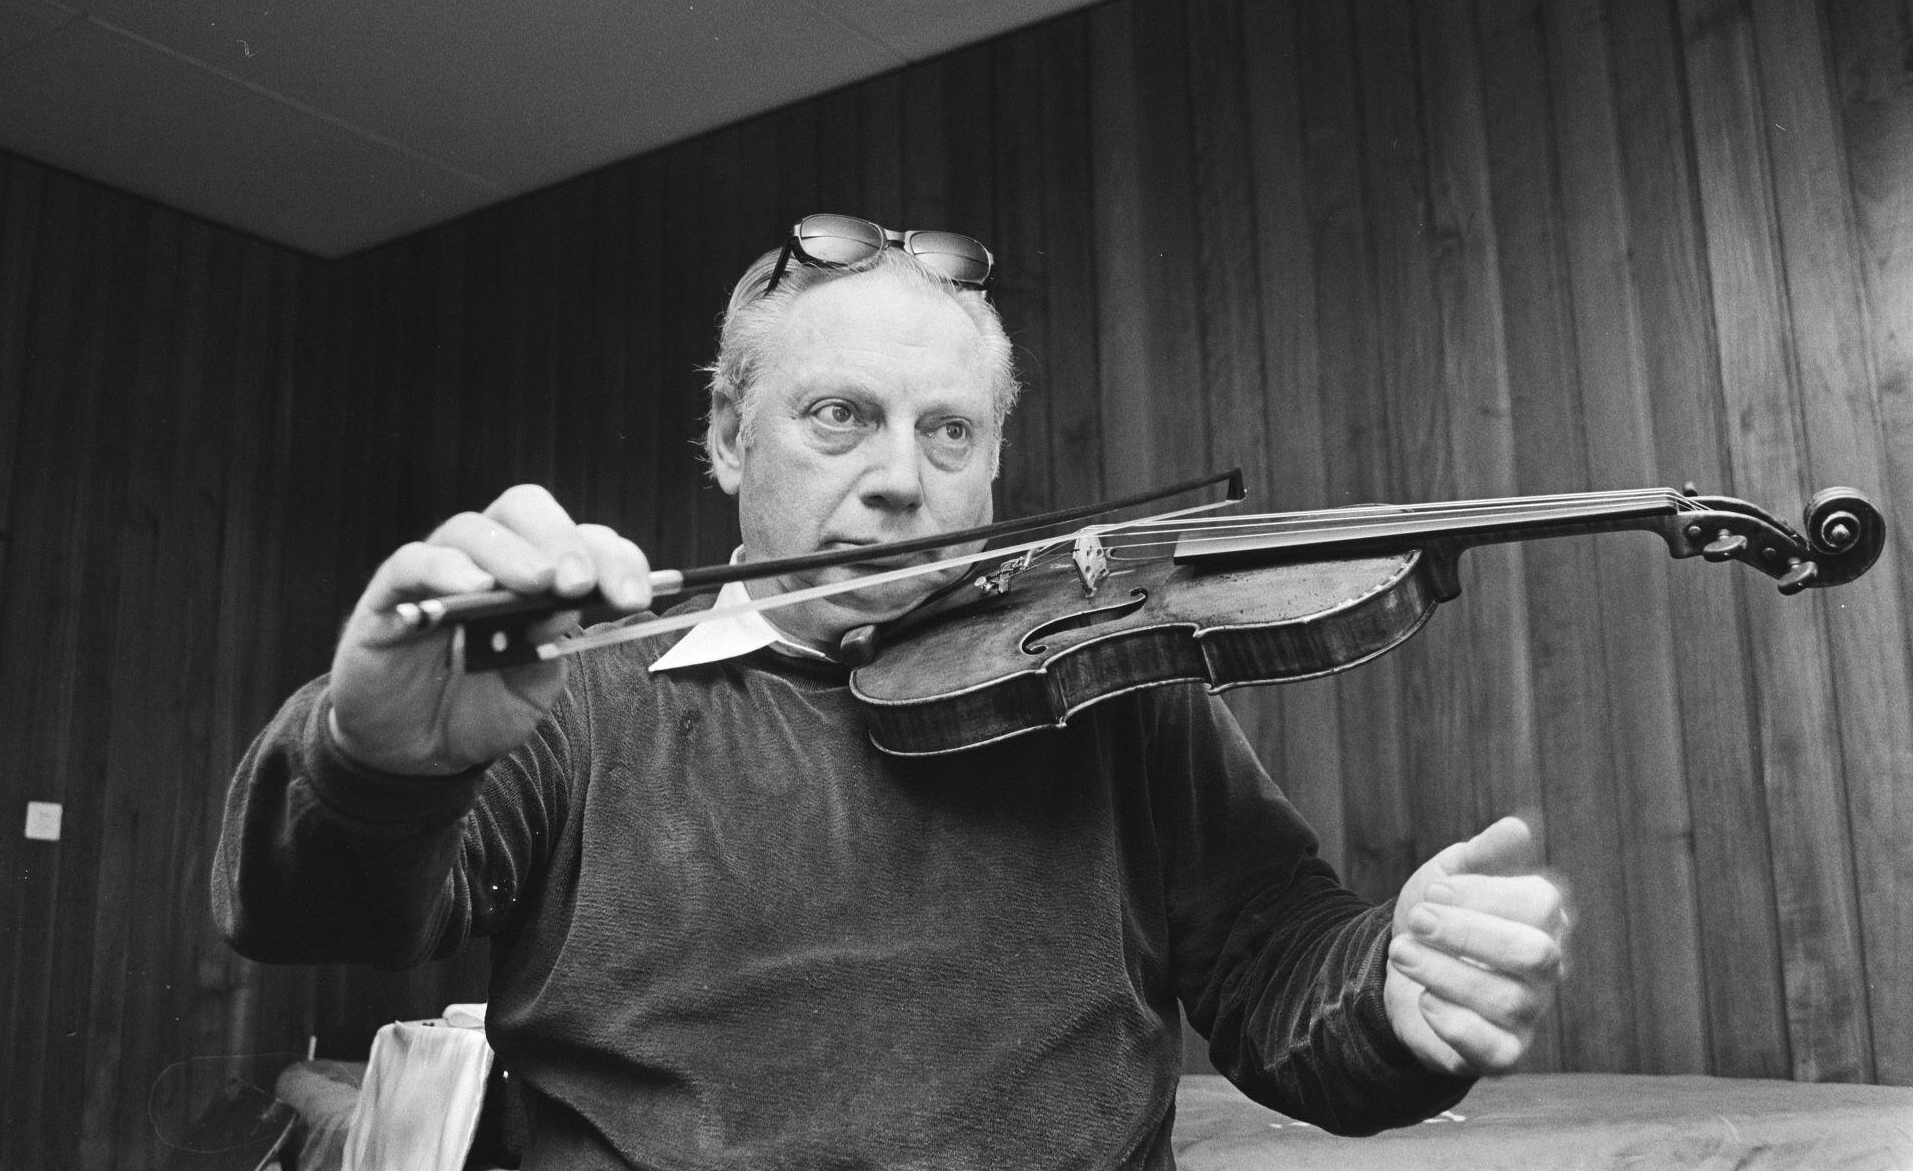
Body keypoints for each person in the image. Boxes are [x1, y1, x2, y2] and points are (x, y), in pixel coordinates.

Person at [214, 213, 1568, 1169]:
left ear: (991, 465)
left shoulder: (1105, 687)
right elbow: (316, 911)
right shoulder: (573, 689)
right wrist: (375, 758)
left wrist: (1398, 988)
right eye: (839, 416)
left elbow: (1283, 979)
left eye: (950, 432)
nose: (902, 480)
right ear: (731, 442)